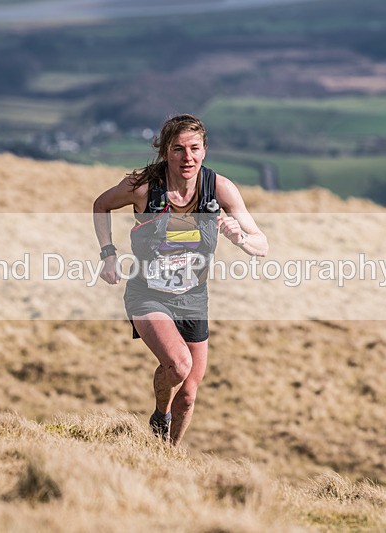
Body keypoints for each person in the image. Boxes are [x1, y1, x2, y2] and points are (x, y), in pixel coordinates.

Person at [93, 114, 268, 446]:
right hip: (148, 294)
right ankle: (160, 414)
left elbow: (262, 244)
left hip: (193, 298)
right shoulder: (143, 187)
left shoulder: (219, 189)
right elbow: (101, 205)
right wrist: (108, 254)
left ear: (204, 150)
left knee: (188, 395)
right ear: (164, 152)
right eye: (178, 149)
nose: (187, 158)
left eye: (194, 148)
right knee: (177, 364)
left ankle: (168, 455)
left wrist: (241, 240)